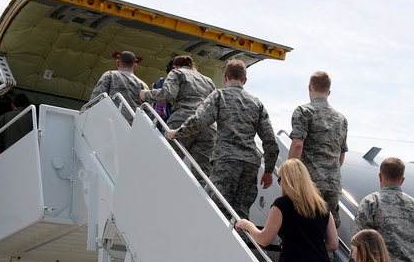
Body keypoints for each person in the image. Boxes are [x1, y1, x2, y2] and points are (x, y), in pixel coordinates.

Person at [167, 59, 278, 220]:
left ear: (225, 77)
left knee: (216, 209)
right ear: (244, 80)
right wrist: (268, 170)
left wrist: (177, 132)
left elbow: (200, 121)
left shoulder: (220, 96)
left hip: (227, 160)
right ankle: (241, 243)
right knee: (241, 214)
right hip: (250, 164)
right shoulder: (257, 103)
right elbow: (270, 141)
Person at [234, 159, 338, 262]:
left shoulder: (282, 204)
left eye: (280, 179)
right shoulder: (323, 206)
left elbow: (264, 239)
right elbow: (333, 244)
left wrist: (247, 225)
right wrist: (310, 247)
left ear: (287, 180)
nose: (280, 183)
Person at [289, 70, 348, 227]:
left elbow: (297, 144)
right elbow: (341, 157)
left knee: (305, 229)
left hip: (311, 183)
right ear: (329, 91)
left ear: (309, 87)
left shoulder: (304, 111)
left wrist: (289, 174)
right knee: (326, 232)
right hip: (333, 185)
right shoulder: (341, 119)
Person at [141, 55, 217, 175]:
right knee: (202, 172)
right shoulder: (208, 81)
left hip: (182, 121)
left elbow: (168, 95)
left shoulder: (177, 73)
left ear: (175, 67)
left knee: (168, 164)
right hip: (208, 127)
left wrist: (146, 95)